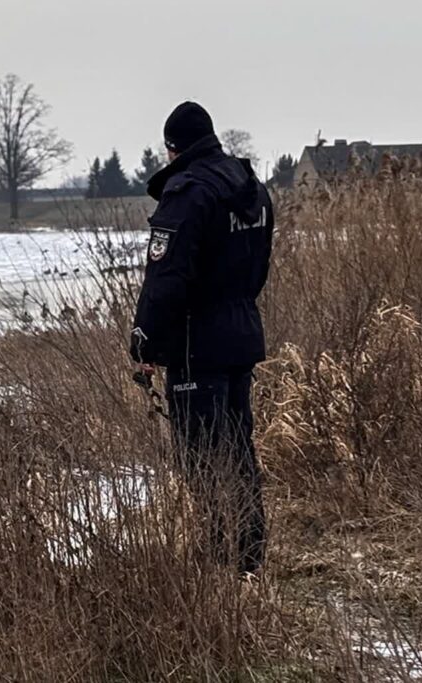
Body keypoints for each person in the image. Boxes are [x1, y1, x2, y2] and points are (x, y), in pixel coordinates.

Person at [130, 101, 274, 577]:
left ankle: (217, 560)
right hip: (241, 335)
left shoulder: (187, 194)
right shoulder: (253, 189)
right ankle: (250, 557)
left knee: (201, 457)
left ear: (173, 148)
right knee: (238, 448)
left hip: (196, 345)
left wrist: (145, 341)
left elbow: (166, 278)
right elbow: (259, 268)